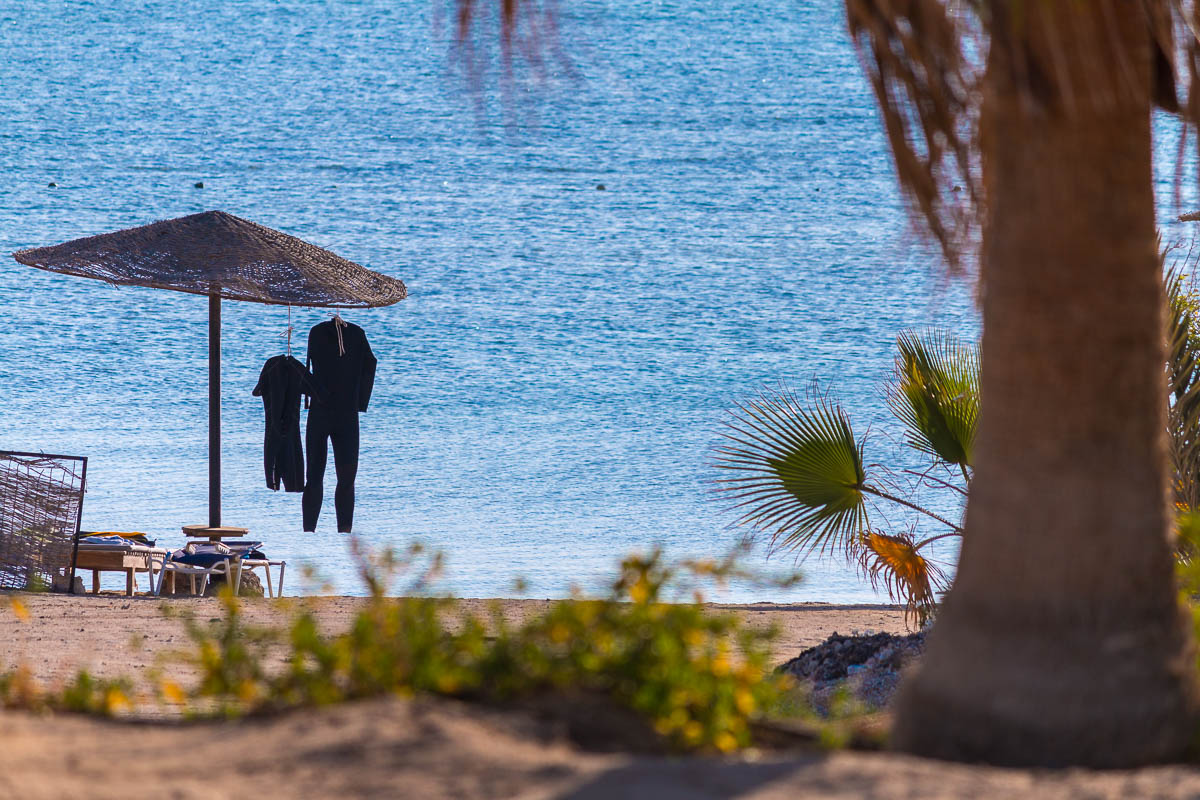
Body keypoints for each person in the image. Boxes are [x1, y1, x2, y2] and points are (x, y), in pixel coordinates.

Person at [302, 316, 376, 533]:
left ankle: (309, 531)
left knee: (314, 476)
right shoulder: (357, 333)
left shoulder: (316, 332)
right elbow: (370, 364)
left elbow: (307, 365)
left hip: (320, 410)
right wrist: (360, 402)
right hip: (347, 414)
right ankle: (344, 531)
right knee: (346, 480)